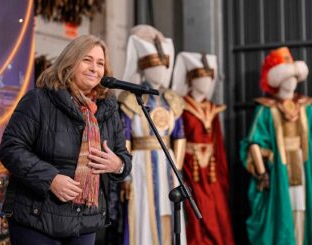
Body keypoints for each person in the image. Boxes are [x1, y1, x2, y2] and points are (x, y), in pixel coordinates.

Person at [0, 34, 132, 245]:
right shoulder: (39, 100)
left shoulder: (108, 109)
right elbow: (10, 149)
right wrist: (51, 179)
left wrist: (117, 165)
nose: (94, 68)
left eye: (100, 63)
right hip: (36, 217)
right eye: (87, 60)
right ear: (70, 61)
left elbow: (123, 156)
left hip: (84, 220)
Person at [118, 25, 187, 245]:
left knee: (170, 212)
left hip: (168, 165)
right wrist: (126, 175)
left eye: (164, 67)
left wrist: (178, 169)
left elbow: (180, 135)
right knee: (142, 212)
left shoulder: (172, 100)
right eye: (155, 67)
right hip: (140, 165)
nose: (161, 72)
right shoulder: (130, 99)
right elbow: (125, 137)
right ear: (145, 68)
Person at [240, 47, 312, 244]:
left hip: (304, 166)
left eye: (294, 77)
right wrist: (263, 171)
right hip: (280, 169)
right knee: (285, 208)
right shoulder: (266, 109)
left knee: (302, 207)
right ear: (278, 80)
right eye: (287, 77)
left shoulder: (306, 106)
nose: (292, 82)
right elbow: (254, 142)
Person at [172, 51, 234, 245]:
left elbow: (217, 142)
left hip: (211, 171)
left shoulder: (212, 108)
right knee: (196, 208)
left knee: (217, 209)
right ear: (192, 79)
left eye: (209, 79)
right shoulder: (181, 106)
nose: (207, 83)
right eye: (202, 78)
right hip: (192, 167)